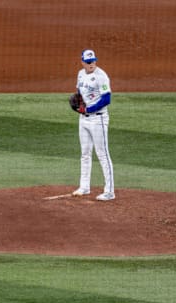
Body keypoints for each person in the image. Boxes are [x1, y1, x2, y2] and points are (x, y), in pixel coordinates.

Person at [71, 49, 115, 201]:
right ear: (82, 62)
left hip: (98, 119)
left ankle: (109, 191)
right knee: (85, 153)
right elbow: (78, 91)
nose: (91, 64)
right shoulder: (81, 74)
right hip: (83, 119)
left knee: (102, 154)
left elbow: (106, 99)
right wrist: (79, 103)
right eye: (88, 62)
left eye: (93, 61)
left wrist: (89, 108)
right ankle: (84, 187)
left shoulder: (101, 76)